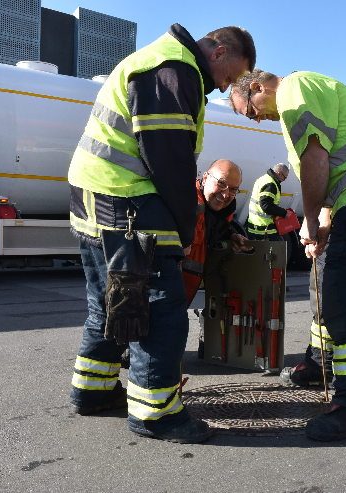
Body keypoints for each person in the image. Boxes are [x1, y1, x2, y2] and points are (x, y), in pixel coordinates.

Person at [67, 23, 256, 444]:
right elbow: (169, 160)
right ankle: (156, 414)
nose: (224, 89)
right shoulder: (176, 69)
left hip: (97, 195)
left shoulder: (158, 60)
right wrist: (186, 227)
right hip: (129, 201)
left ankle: (93, 390)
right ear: (219, 50)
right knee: (160, 310)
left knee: (110, 300)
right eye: (228, 78)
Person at [229, 69, 346, 441]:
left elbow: (317, 161)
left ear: (256, 87)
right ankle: (321, 363)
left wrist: (309, 221)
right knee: (329, 287)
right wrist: (324, 224)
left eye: (248, 110)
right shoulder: (298, 100)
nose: (254, 118)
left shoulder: (295, 90)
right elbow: (327, 172)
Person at [182, 159, 251, 305]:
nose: (226, 194)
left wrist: (231, 235)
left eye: (233, 189)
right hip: (167, 294)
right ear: (205, 178)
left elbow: (215, 229)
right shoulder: (186, 203)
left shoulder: (223, 211)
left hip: (184, 295)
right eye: (221, 183)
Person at [246, 163, 290, 241]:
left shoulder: (263, 178)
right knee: (279, 250)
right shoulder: (271, 184)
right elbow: (266, 206)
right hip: (263, 229)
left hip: (254, 225)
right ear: (279, 173)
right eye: (284, 177)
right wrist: (284, 213)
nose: (284, 180)